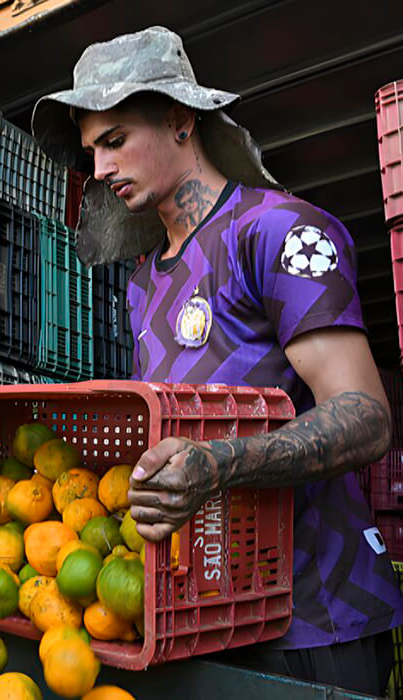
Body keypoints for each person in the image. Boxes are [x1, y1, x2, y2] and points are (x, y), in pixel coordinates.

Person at [30, 26, 403, 695]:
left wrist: (221, 464)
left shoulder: (278, 232)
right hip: (207, 615)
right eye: (91, 152)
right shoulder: (143, 282)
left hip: (317, 616)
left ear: (179, 120)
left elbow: (366, 418)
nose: (101, 169)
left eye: (114, 140)